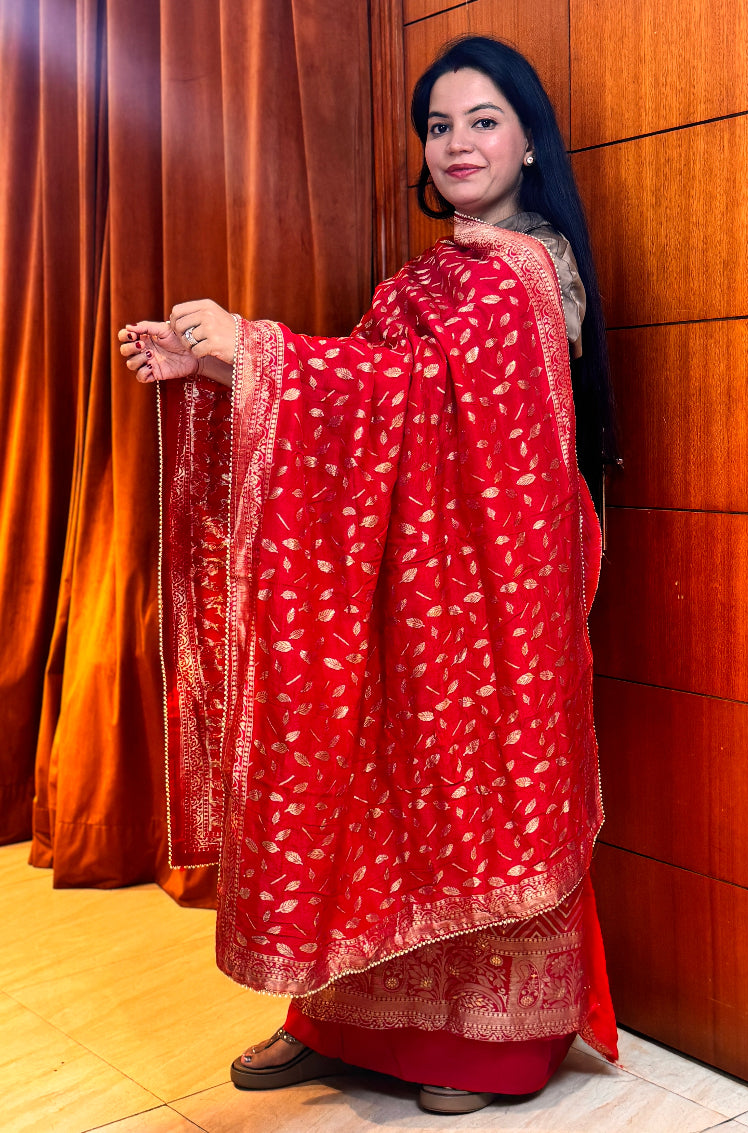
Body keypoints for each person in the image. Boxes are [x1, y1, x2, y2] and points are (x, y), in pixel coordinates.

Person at [119, 35, 619, 1117]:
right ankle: (339, 1021)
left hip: (495, 594)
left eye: (481, 120)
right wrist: (213, 364)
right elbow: (364, 410)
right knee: (364, 756)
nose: (455, 144)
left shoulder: (523, 275)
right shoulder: (431, 278)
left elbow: (414, 396)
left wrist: (254, 346)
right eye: (438, 126)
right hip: (410, 576)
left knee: (467, 777)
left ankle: (489, 1048)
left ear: (529, 140)